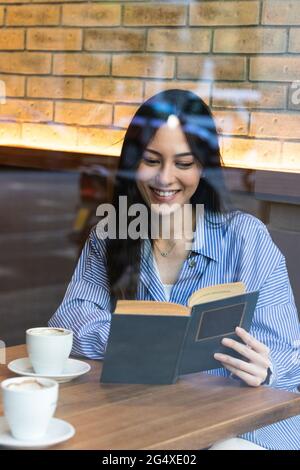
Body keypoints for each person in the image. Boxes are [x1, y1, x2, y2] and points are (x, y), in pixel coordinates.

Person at [49, 89, 300, 450]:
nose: (165, 179)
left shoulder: (246, 238)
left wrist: (267, 367)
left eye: (184, 164)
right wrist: (144, 339)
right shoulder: (111, 233)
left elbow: (289, 355)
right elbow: (70, 323)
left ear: (203, 168)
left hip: (237, 427)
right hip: (145, 418)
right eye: (151, 160)